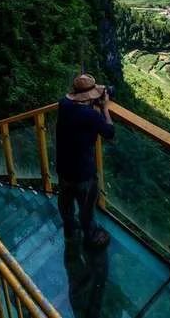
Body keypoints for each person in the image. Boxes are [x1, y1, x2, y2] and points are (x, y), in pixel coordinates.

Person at [56, 74, 115, 248]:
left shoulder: (63, 104)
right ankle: (91, 238)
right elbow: (110, 133)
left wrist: (92, 102)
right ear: (90, 97)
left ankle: (69, 230)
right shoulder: (90, 116)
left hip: (63, 167)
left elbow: (77, 111)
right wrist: (104, 108)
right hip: (83, 173)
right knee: (87, 208)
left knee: (66, 204)